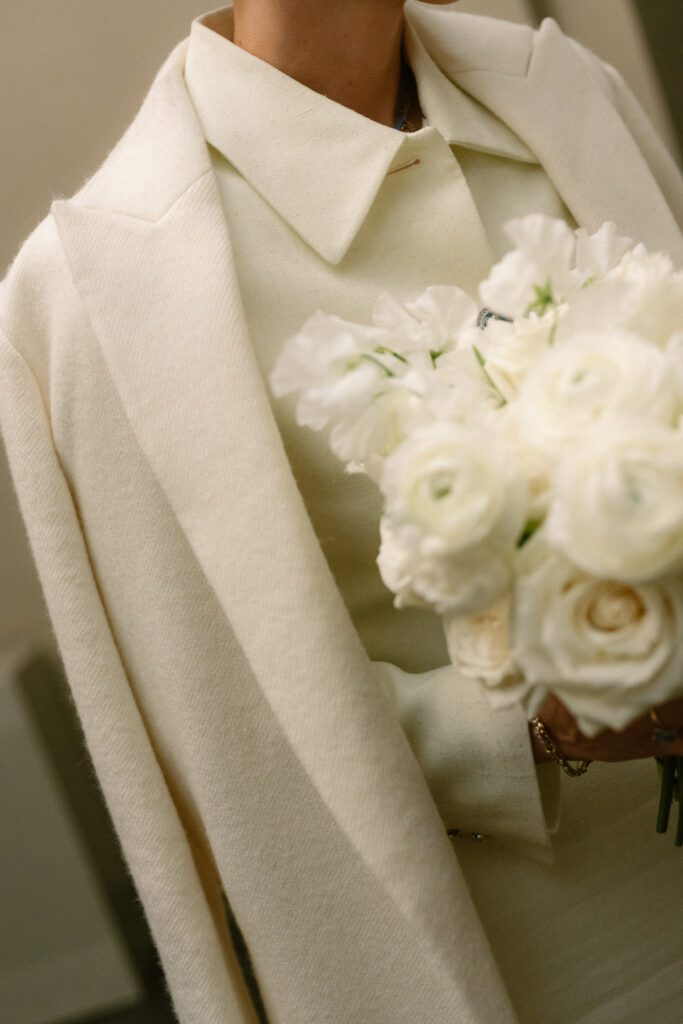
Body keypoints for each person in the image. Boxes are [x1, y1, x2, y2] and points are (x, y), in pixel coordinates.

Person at [1, 1, 681, 1022]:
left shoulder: (564, 94)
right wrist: (534, 725)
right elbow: (228, 741)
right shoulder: (88, 292)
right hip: (511, 965)